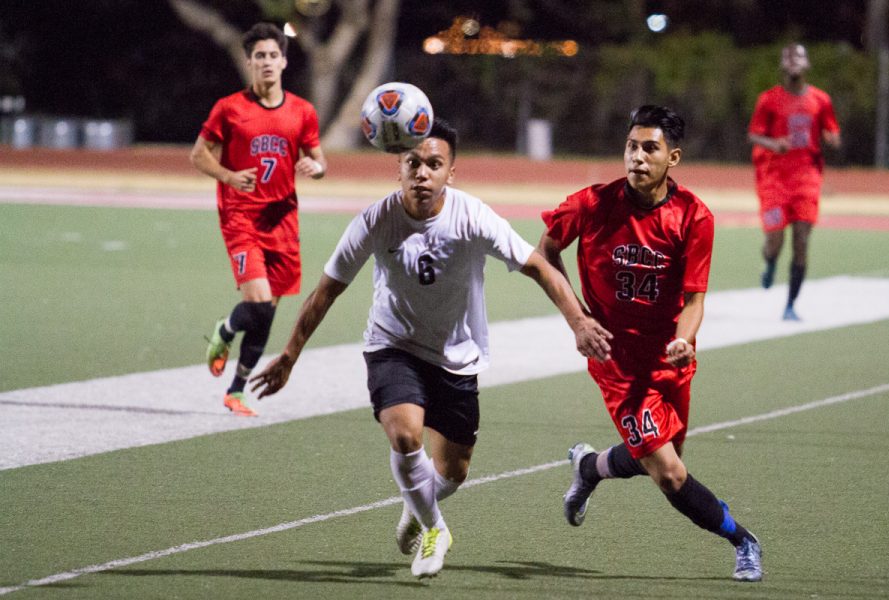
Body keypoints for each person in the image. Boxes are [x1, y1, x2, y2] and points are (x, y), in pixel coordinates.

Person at [250, 118, 611, 578]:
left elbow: (538, 266)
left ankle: (416, 507)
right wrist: (289, 355)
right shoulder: (376, 220)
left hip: (457, 355)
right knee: (405, 436)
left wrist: (578, 321)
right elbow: (325, 291)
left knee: (453, 472)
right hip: (393, 345)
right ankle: (435, 528)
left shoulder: (472, 216)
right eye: (413, 163)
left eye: (434, 164)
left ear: (450, 173)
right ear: (397, 168)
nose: (423, 172)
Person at [538, 105, 763, 582]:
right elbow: (544, 254)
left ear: (673, 157)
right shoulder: (591, 204)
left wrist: (683, 339)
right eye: (631, 146)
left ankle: (590, 468)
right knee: (670, 474)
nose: (637, 157)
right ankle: (743, 540)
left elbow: (695, 298)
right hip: (617, 365)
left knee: (655, 459)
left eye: (650, 149)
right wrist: (578, 319)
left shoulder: (693, 217)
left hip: (670, 361)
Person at [190, 22, 327, 416]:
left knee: (269, 312)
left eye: (273, 55)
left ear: (284, 61)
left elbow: (320, 161)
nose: (267, 62)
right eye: (259, 56)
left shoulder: (302, 111)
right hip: (241, 217)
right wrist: (230, 177)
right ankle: (225, 330)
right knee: (260, 303)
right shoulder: (229, 109)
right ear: (249, 63)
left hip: (283, 220)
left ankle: (236, 391)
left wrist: (315, 169)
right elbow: (199, 155)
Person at [748, 43, 841, 320]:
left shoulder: (820, 100)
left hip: (807, 179)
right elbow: (753, 135)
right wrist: (773, 144)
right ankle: (770, 261)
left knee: (801, 241)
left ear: (807, 64)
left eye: (799, 56)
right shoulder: (769, 100)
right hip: (775, 179)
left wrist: (833, 138)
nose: (794, 62)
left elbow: (831, 129)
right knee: (774, 240)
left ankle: (790, 305)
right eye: (788, 57)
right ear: (782, 65)